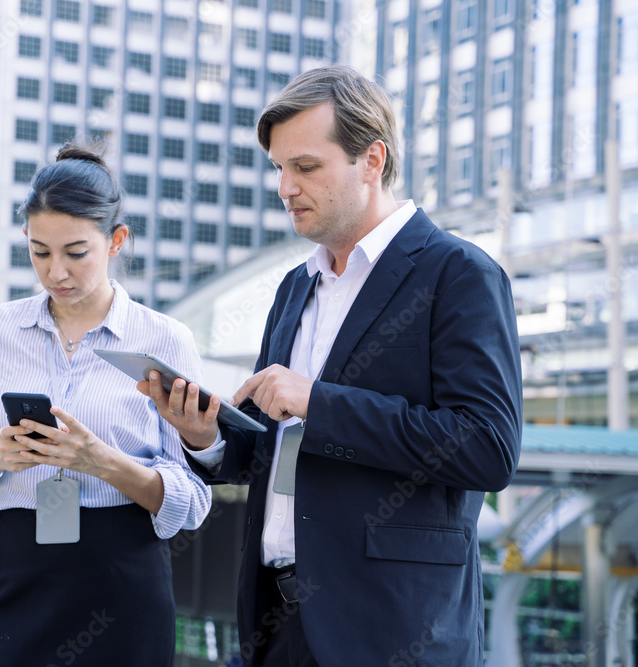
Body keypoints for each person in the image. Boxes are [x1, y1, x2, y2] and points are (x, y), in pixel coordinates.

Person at [140, 66, 522, 666]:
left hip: (393, 631)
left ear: (372, 159)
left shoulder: (459, 275)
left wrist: (319, 402)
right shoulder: (296, 287)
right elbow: (275, 450)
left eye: (306, 167)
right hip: (279, 625)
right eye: (278, 169)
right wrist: (206, 435)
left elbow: (488, 448)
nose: (285, 187)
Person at [0, 143, 212, 666]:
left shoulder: (165, 340)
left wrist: (101, 463)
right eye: (39, 252)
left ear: (116, 241)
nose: (55, 271)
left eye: (75, 252)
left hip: (123, 586)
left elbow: (192, 503)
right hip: (14, 578)